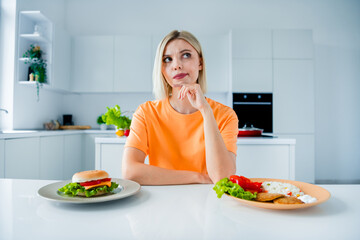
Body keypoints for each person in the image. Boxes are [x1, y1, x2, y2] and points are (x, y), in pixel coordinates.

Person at [122, 30, 238, 185]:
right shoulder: (146, 113)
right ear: (162, 69)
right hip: (161, 200)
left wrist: (205, 110)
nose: (176, 65)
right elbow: (130, 172)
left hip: (208, 202)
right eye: (168, 59)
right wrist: (197, 177)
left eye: (186, 55)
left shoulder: (225, 115)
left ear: (200, 62)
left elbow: (222, 178)